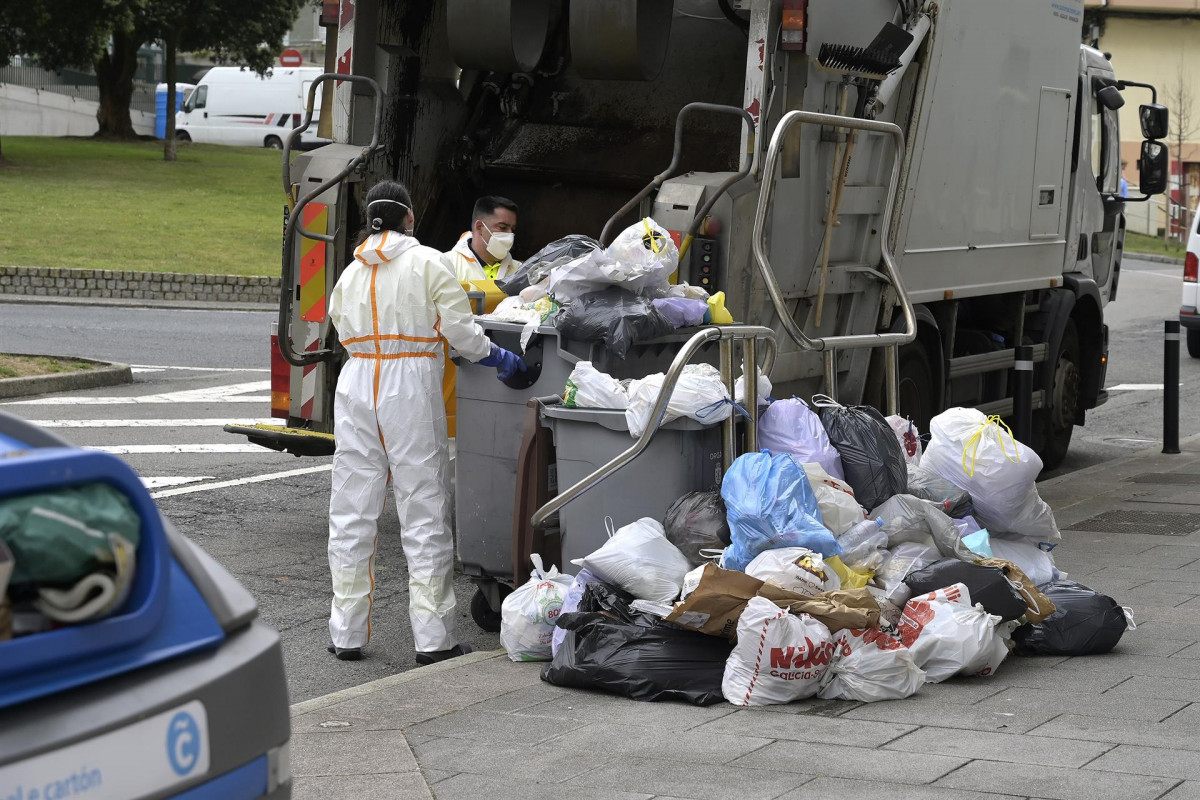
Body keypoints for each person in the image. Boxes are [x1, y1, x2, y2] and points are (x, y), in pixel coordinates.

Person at [326, 180, 525, 664]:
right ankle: (433, 639)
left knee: (351, 511)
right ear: (409, 218)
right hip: (409, 383)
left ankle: (346, 634)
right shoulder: (429, 263)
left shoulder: (350, 274)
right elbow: (461, 332)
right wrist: (499, 356)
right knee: (424, 509)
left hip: (355, 384)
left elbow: (336, 321)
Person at [445, 195, 522, 282]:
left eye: (513, 229)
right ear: (480, 227)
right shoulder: (447, 265)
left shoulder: (520, 272)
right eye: (503, 227)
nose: (510, 234)